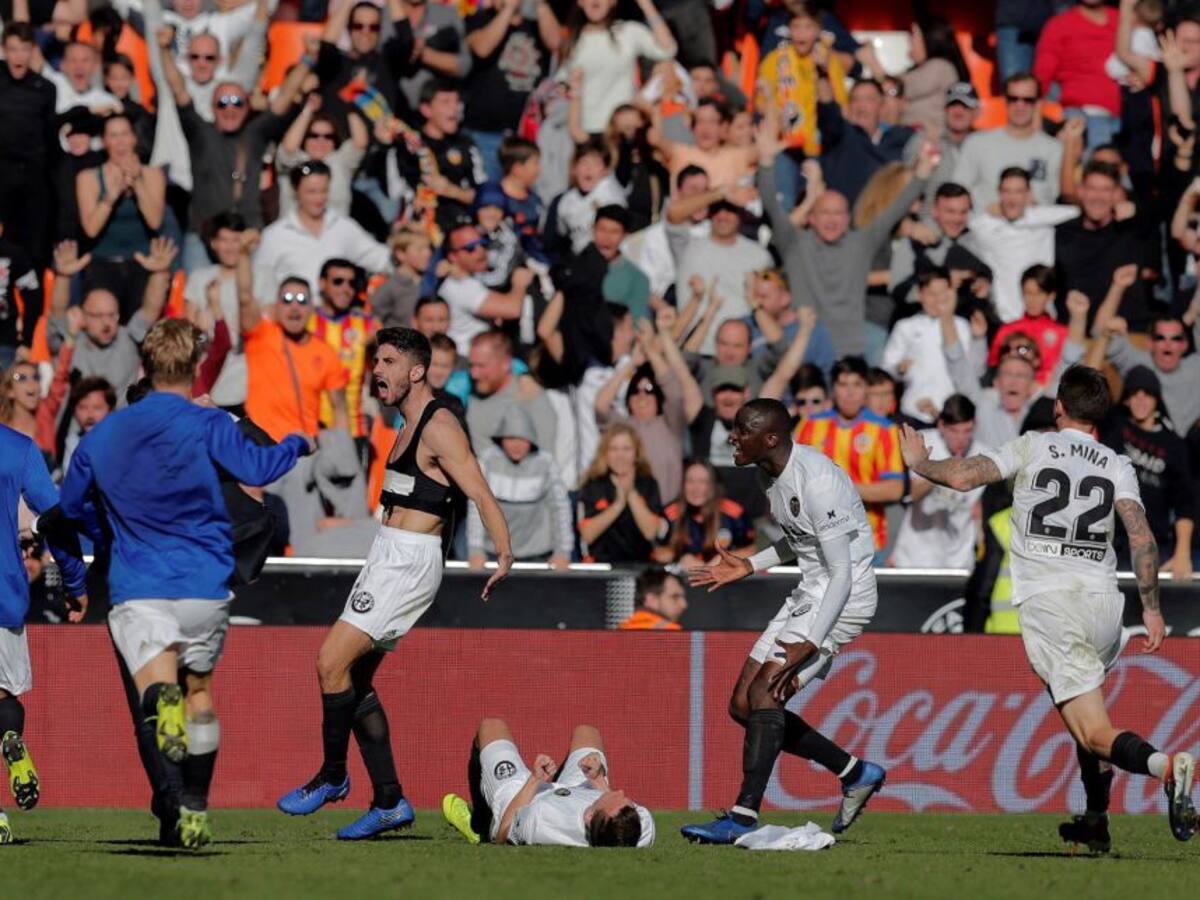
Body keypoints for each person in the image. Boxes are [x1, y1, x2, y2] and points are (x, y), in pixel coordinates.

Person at [898, 365, 1197, 852]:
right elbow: (1140, 534)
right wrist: (1152, 609)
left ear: (1059, 405)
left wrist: (920, 463)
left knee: (1093, 729)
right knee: (1087, 720)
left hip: (1052, 604)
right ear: (1100, 416)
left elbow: (961, 475)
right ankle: (1097, 820)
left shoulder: (1034, 444)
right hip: (1103, 603)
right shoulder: (1115, 463)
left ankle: (1167, 767)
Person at [58, 319, 311, 849]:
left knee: (157, 688)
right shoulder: (209, 422)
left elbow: (73, 506)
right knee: (201, 694)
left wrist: (106, 529)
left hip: (140, 583)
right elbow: (258, 467)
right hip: (205, 586)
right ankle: (194, 804)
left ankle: (162, 701)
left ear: (144, 368)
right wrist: (295, 442)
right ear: (193, 369)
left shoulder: (104, 434)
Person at [277, 327, 513, 840]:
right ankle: (389, 802)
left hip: (407, 564)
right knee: (355, 680)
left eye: (387, 361)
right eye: (375, 360)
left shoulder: (439, 424)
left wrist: (503, 552)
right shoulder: (403, 424)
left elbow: (479, 490)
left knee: (329, 661)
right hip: (387, 554)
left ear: (416, 370)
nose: (377, 370)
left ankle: (334, 775)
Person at [681, 398, 884, 844]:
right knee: (743, 706)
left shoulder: (819, 482)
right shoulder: (769, 473)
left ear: (770, 438)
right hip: (813, 589)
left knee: (764, 694)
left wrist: (812, 641)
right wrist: (750, 565)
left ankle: (742, 815)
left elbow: (843, 573)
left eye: (741, 430)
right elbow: (801, 540)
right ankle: (855, 773)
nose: (731, 436)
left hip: (842, 597)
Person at [0, 422, 87, 845]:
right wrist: (74, 579)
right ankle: (9, 736)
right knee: (2, 695)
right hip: (3, 592)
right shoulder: (16, 448)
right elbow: (55, 515)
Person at [441, 718, 654, 846]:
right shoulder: (640, 825)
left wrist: (535, 779)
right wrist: (598, 779)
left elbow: (503, 831)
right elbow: (614, 807)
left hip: (524, 797)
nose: (621, 791)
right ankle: (577, 778)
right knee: (587, 732)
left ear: (589, 817)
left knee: (490, 726)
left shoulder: (542, 821)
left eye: (615, 798)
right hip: (582, 789)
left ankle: (478, 824)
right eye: (629, 802)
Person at [235, 237, 350, 443]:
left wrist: (343, 452)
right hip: (261, 448)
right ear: (276, 306)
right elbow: (245, 296)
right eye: (287, 300)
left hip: (303, 452)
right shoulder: (261, 334)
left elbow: (340, 409)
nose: (295, 307)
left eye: (302, 300)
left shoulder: (325, 352)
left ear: (311, 309)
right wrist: (244, 256)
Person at [795, 356, 904, 555]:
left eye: (857, 384)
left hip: (866, 542)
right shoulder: (810, 425)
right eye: (843, 384)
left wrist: (841, 489)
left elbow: (895, 489)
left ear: (866, 389)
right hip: (817, 542)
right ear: (833, 389)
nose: (850, 392)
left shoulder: (884, 430)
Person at [1098, 366, 1195, 581]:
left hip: (1153, 546)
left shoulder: (1174, 445)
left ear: (1157, 400)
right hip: (1108, 541)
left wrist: (1182, 553)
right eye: (1135, 394)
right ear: (1126, 400)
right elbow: (1087, 386)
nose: (1141, 400)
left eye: (1147, 394)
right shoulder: (1114, 425)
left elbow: (1184, 505)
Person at [255, 161, 392, 299]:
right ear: (296, 191)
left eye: (324, 191)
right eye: (312, 192)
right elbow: (260, 285)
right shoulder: (275, 235)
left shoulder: (343, 227)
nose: (319, 198)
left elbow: (380, 258)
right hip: (294, 316)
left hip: (334, 318)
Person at [467, 404, 572, 570]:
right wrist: (475, 550)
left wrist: (563, 552)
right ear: (501, 439)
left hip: (539, 554)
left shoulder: (545, 463)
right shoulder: (487, 461)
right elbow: (476, 507)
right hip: (494, 552)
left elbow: (560, 509)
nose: (516, 445)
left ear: (531, 439)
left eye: (522, 439)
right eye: (510, 438)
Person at [891, 394, 985, 569]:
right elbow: (912, 494)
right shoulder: (922, 442)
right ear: (941, 426)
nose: (961, 440)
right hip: (915, 555)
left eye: (967, 431)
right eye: (954, 431)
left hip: (959, 559)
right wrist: (941, 472)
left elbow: (976, 505)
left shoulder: (982, 454)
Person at [557, 0, 676, 136]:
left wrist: (647, 6)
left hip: (624, 128)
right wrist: (566, 89)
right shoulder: (573, 41)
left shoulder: (629, 32)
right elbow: (561, 84)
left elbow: (668, 49)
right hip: (586, 132)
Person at [952, 71, 1064, 209]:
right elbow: (958, 190)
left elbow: (1054, 196)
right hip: (985, 226)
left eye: (1028, 100)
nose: (1020, 105)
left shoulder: (1053, 149)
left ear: (1038, 103)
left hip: (1035, 227)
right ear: (1005, 100)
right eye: (1013, 99)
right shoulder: (976, 143)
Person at [0, 21, 59, 268]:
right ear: (3, 50)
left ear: (32, 50)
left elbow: (49, 138)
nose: (18, 56)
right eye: (13, 49)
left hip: (31, 185)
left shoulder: (45, 89)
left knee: (31, 253)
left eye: (24, 49)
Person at [1033, 0, 1121, 150]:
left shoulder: (1123, 21)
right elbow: (1041, 77)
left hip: (1124, 112)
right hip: (1081, 114)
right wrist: (1035, 119)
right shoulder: (1060, 24)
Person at [577, 422, 666, 563]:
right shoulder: (593, 483)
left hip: (641, 568)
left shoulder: (648, 484)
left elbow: (650, 532)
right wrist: (618, 504)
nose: (620, 455)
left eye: (626, 449)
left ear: (636, 453)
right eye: (614, 449)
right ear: (605, 453)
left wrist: (630, 493)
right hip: (602, 568)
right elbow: (587, 535)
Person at [658, 459, 754, 565]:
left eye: (703, 481)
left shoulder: (734, 513)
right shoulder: (670, 513)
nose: (696, 488)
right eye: (690, 481)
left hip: (725, 577)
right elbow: (657, 552)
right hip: (683, 578)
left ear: (713, 485)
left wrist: (724, 559)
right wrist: (681, 559)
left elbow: (751, 550)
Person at [618, 566, 687, 630]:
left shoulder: (620, 630)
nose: (684, 604)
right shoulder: (672, 632)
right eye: (675, 597)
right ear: (651, 600)